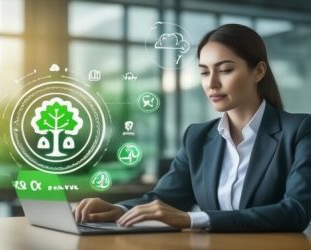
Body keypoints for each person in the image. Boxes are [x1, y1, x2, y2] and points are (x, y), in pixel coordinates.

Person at [74, 24, 311, 232]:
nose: (212, 83)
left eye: (225, 70)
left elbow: (296, 211)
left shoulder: (299, 130)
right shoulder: (198, 137)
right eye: (204, 72)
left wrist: (193, 219)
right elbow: (166, 199)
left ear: (258, 71)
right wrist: (117, 209)